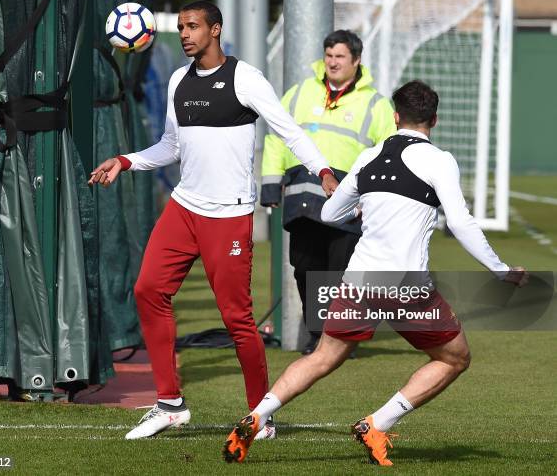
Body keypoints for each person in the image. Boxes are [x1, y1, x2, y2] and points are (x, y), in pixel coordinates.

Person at [223, 80, 528, 465]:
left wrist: (361, 207)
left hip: (358, 280)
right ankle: (377, 423)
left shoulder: (370, 156)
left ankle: (257, 416)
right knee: (454, 358)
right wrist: (500, 270)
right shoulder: (439, 160)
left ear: (395, 117)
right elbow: (462, 223)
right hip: (404, 286)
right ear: (433, 119)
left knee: (322, 357)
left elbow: (330, 213)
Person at [88, 0, 338, 440]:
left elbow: (288, 130)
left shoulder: (245, 78)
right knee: (148, 290)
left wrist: (322, 171)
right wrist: (125, 160)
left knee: (236, 318)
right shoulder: (178, 81)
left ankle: (261, 414)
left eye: (193, 27)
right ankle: (169, 404)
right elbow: (170, 146)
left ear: (215, 30)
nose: (184, 34)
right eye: (181, 27)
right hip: (185, 208)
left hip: (229, 216)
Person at [260, 30, 396, 354]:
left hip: (350, 202)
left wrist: (376, 198)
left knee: (340, 273)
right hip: (303, 200)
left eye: (340, 57)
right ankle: (317, 336)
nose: (332, 63)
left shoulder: (375, 104)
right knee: (306, 269)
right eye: (329, 56)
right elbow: (276, 136)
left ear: (356, 61)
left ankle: (340, 337)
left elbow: (386, 153)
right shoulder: (299, 92)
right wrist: (269, 182)